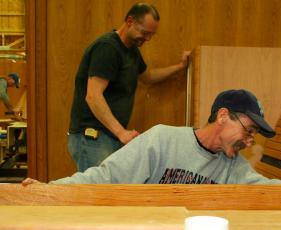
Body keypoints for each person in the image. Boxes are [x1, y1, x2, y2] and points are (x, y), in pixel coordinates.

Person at [23, 89, 281, 186]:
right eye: (249, 131)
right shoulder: (162, 140)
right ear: (223, 116)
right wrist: (50, 191)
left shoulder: (232, 168)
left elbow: (272, 192)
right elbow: (106, 176)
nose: (250, 141)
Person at [68, 2, 191, 172]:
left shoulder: (131, 51)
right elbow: (93, 95)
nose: (147, 39)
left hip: (108, 136)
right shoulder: (108, 48)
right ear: (130, 21)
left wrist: (180, 67)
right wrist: (121, 133)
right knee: (100, 195)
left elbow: (147, 77)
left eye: (151, 35)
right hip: (93, 138)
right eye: (144, 33)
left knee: (110, 193)